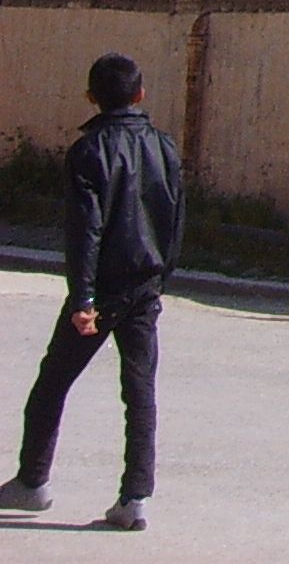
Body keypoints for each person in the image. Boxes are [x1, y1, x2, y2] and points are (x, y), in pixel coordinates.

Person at [0, 53, 184, 533]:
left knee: (52, 382)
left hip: (103, 289)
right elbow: (176, 219)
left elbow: (86, 231)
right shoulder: (164, 147)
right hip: (145, 285)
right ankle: (135, 498)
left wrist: (82, 300)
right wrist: (162, 280)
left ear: (91, 98)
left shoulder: (89, 150)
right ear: (141, 94)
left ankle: (33, 481)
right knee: (140, 392)